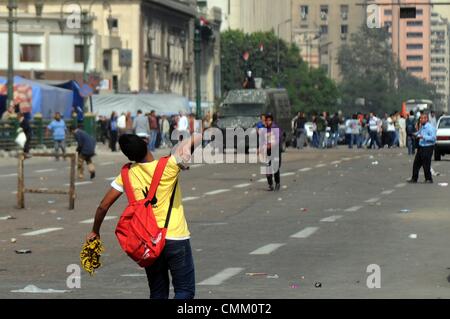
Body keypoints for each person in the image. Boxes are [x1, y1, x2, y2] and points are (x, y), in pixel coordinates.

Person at [86, 132, 202, 299]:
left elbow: (103, 206)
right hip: (175, 238)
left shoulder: (126, 174)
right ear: (146, 144)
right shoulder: (169, 165)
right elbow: (197, 136)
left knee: (157, 292)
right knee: (184, 291)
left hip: (149, 241)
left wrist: (95, 231)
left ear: (128, 156)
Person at [407, 114, 436, 184]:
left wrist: (423, 137)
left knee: (426, 164)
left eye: (422, 118)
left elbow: (433, 138)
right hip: (421, 147)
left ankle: (429, 179)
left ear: (426, 119)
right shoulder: (422, 127)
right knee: (416, 163)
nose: (420, 120)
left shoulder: (430, 127)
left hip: (428, 147)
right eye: (420, 118)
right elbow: (419, 133)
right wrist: (414, 134)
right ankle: (414, 178)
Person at [261, 113, 281, 191]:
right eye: (267, 120)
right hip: (268, 151)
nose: (268, 122)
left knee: (275, 168)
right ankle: (270, 185)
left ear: (272, 121)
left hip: (275, 150)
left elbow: (278, 140)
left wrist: (271, 145)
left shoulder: (275, 128)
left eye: (269, 120)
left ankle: (277, 183)